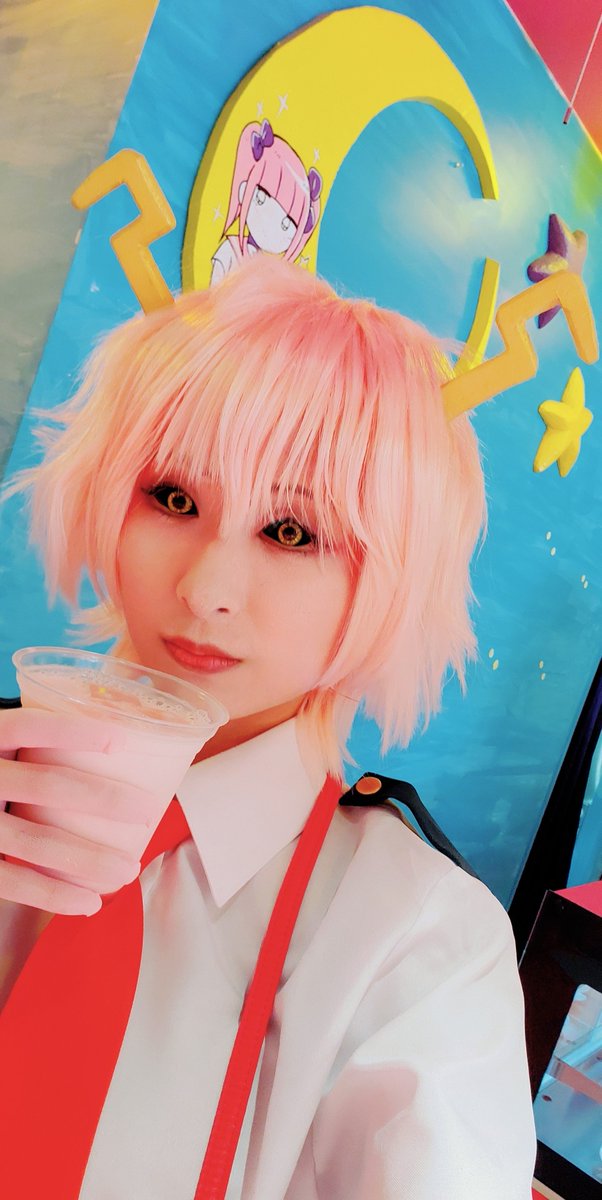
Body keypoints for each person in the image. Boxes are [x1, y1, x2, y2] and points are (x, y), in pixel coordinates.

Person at [0, 255, 536, 1198]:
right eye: (173, 498)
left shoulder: (416, 945)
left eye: (293, 532)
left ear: (394, 576)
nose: (206, 590)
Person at [211, 119, 322, 283]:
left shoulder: (271, 276)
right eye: (261, 198)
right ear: (243, 191)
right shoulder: (230, 250)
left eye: (286, 225)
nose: (272, 225)